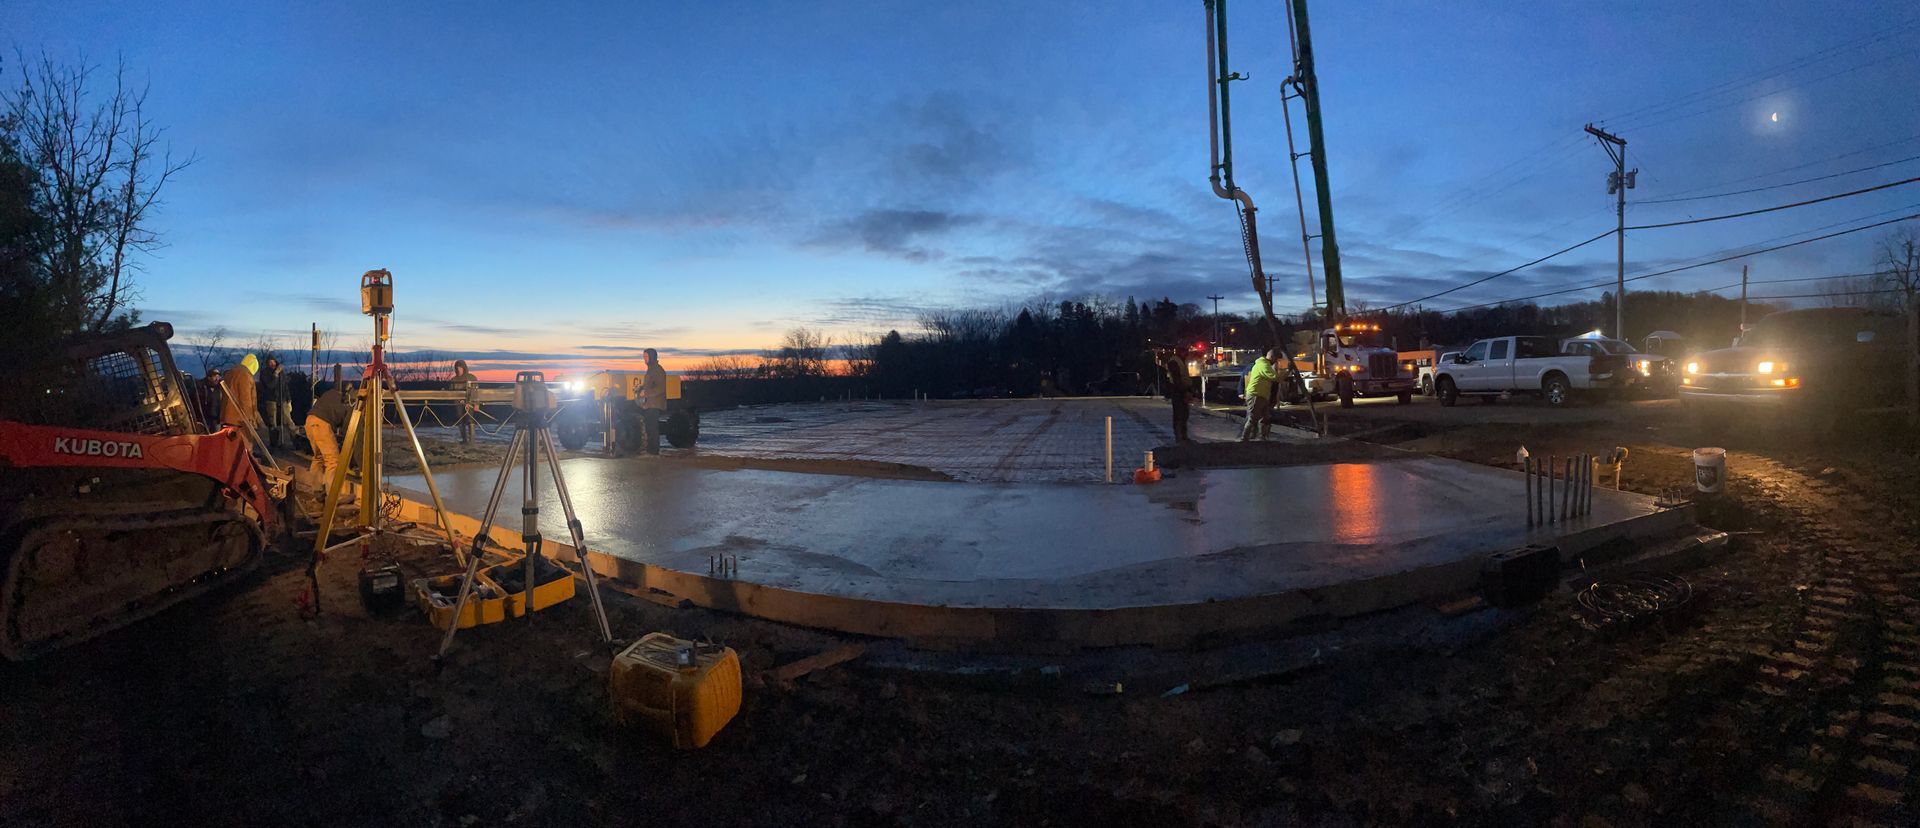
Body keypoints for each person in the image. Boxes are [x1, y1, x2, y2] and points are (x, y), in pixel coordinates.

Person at [305, 380, 352, 489]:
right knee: (333, 461)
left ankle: (317, 491)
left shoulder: (327, 395)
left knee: (318, 457)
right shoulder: (348, 404)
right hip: (322, 424)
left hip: (309, 421)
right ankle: (334, 496)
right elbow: (348, 430)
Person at [1239, 348, 1279, 442]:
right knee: (1253, 418)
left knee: (1264, 417)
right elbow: (1275, 378)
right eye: (1276, 359)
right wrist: (1288, 371)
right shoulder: (1264, 365)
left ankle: (1262, 437)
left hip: (1261, 395)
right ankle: (1244, 438)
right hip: (1256, 395)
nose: (1276, 361)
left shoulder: (1264, 364)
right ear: (1272, 357)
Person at [257, 356, 296, 449]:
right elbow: (270, 386)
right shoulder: (265, 373)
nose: (272, 364)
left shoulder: (281, 373)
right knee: (272, 423)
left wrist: (289, 399)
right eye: (270, 362)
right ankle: (274, 444)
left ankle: (296, 441)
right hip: (271, 400)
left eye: (273, 362)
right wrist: (275, 375)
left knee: (288, 421)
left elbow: (285, 386)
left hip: (282, 399)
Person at [221, 354, 261, 435]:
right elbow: (246, 399)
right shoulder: (245, 375)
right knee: (242, 445)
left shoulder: (230, 372)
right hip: (239, 420)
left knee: (228, 445)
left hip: (226, 417)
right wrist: (249, 419)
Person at [637, 348, 668, 455]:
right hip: (649, 403)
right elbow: (650, 385)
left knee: (652, 428)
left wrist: (646, 393)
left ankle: (653, 452)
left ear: (652, 357)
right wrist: (641, 389)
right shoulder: (651, 369)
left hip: (654, 404)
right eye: (643, 356)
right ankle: (651, 450)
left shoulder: (658, 370)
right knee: (649, 427)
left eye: (646, 356)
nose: (644, 359)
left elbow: (660, 388)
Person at [1160, 350, 1191, 443]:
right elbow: (1177, 379)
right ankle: (1179, 437)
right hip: (1178, 391)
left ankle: (1183, 436)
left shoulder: (1181, 361)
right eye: (1185, 350)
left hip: (1181, 390)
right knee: (1179, 414)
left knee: (1184, 414)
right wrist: (1184, 391)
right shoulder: (1174, 362)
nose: (1187, 352)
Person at [448, 359, 479, 444]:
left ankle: (471, 440)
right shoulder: (454, 379)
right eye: (457, 368)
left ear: (464, 368)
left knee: (469, 420)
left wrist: (476, 403)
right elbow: (451, 392)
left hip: (469, 403)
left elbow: (475, 392)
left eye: (460, 368)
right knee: (460, 419)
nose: (459, 370)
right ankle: (464, 439)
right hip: (458, 403)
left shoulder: (471, 378)